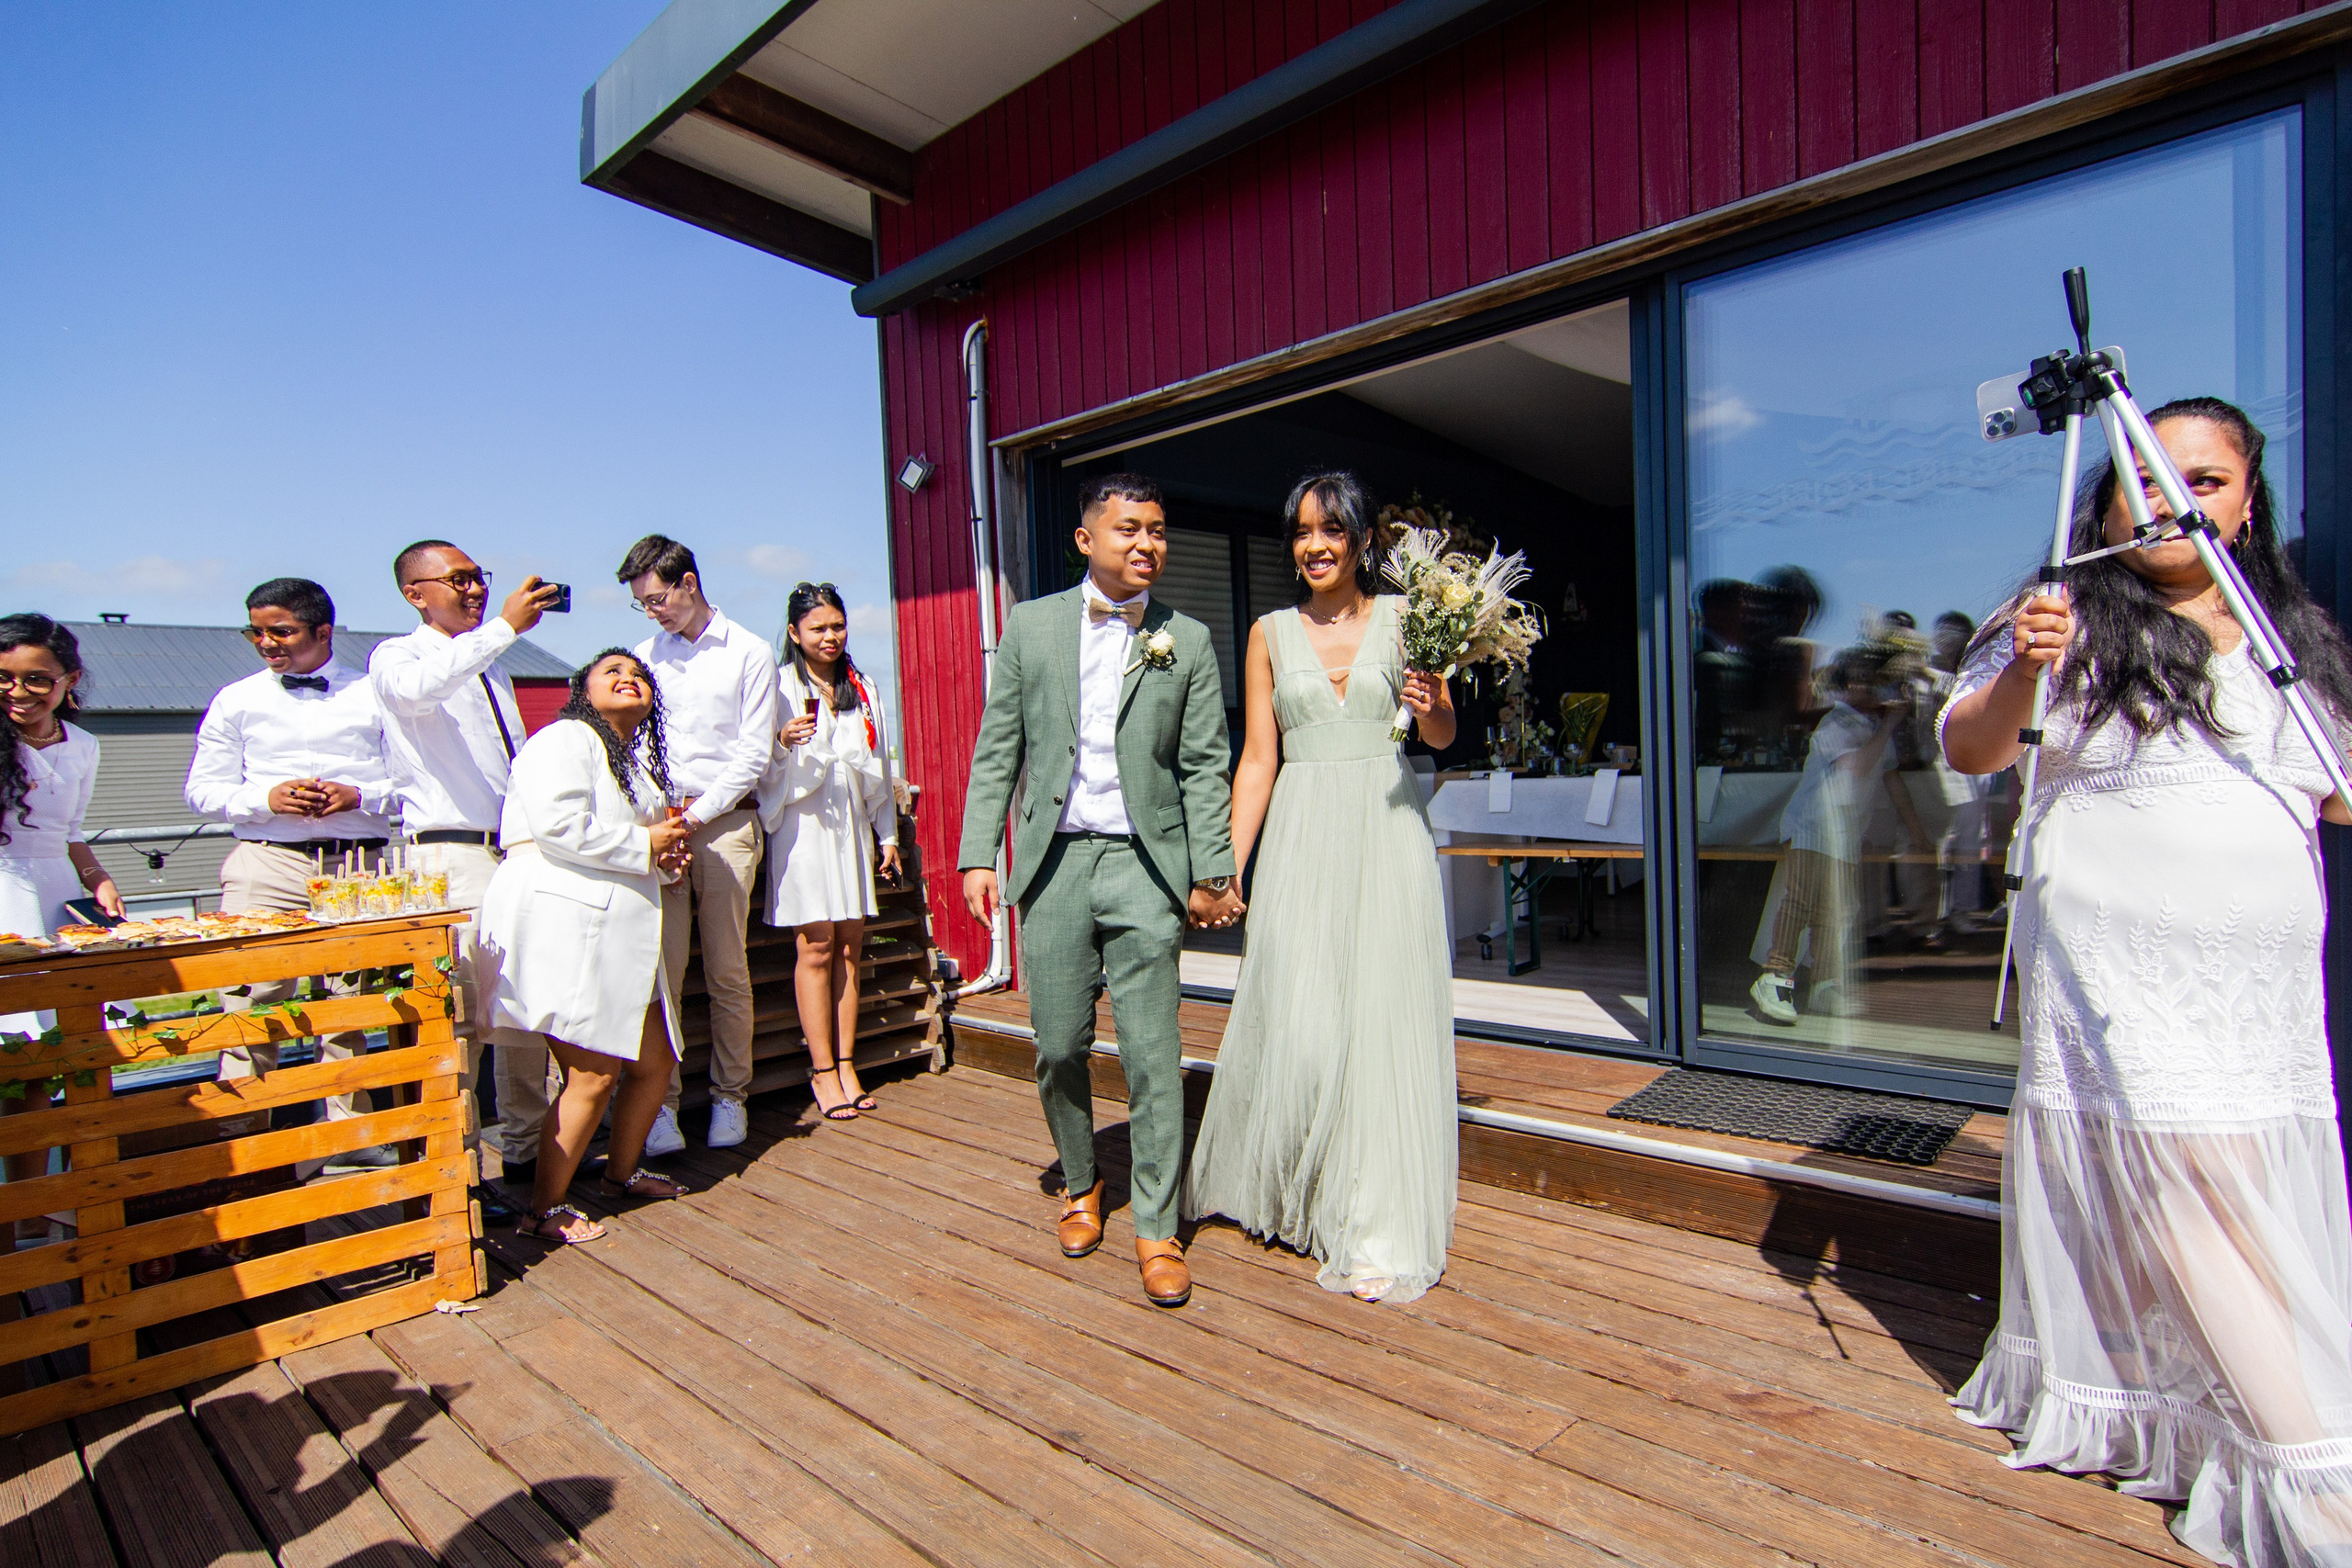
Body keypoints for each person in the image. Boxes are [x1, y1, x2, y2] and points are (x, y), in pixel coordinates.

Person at [1939, 398, 2352, 1566]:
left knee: (2244, 1186)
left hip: (2256, 977)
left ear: (2246, 501)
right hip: (2118, 957)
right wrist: (2026, 667)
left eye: (2207, 481)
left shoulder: (2287, 633)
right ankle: (2306, 1465)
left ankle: (2206, 1409)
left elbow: (2332, 791)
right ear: (2106, 496)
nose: (2176, 499)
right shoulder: (2059, 615)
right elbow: (1973, 750)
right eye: (2150, 476)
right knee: (2188, 1178)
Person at [958, 472, 1238, 1308]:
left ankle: (1156, 1222)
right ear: (1087, 539)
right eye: (1128, 529)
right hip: (1053, 864)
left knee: (1155, 1054)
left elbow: (1203, 765)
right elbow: (997, 746)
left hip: (1145, 866)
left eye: (1157, 529)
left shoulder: (1184, 638)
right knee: (1057, 1043)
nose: (1146, 543)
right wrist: (979, 852)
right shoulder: (1033, 626)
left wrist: (1211, 870)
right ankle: (1081, 1182)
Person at [1182, 472, 1459, 1304]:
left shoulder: (1410, 619)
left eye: (1331, 529)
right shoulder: (1269, 632)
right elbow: (1258, 760)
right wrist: (1224, 867)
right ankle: (1298, 1192)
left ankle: (1371, 1220)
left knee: (1379, 1019)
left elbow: (1439, 736)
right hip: (1302, 834)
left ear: (1361, 538)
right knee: (1303, 1016)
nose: (1315, 545)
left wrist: (1438, 700)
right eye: (1302, 531)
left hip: (1386, 829)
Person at [370, 540, 566, 1223]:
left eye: (478, 577)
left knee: (521, 1007)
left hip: (511, 854)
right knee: (463, 1021)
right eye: (457, 580)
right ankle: (456, 1169)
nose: (476, 589)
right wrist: (504, 627)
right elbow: (417, 691)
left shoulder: (493, 670)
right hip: (453, 856)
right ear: (415, 592)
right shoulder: (400, 657)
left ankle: (525, 1155)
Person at [474, 649, 695, 1245]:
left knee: (654, 1062)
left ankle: (619, 1176)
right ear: (581, 690)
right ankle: (543, 1209)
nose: (629, 678)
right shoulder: (564, 738)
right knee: (593, 1073)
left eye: (639, 674)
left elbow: (638, 847)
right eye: (612, 671)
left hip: (622, 928)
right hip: (566, 919)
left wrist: (664, 858)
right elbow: (557, 825)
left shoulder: (630, 761)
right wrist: (645, 841)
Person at [185, 579, 397, 1163]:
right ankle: (244, 1147)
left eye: (280, 631)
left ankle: (351, 1139)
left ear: (323, 631)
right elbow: (201, 790)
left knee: (349, 1006)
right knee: (251, 1005)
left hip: (358, 866)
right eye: (257, 631)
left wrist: (360, 794)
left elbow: (415, 784)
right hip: (265, 862)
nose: (265, 642)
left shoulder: (375, 695)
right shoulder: (236, 699)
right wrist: (266, 799)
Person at [619, 536, 778, 1154]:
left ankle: (729, 1095)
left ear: (689, 582)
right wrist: (658, 820)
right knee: (661, 970)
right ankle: (660, 1104)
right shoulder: (642, 655)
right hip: (661, 826)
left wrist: (696, 815)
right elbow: (633, 742)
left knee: (725, 967)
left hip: (726, 821)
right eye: (642, 603)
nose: (653, 610)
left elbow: (753, 751)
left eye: (657, 597)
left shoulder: (749, 650)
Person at [0, 615, 121, 1242]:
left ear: (69, 680)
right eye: (4, 678)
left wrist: (98, 879)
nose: (19, 692)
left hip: (55, 902)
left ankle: (29, 1215)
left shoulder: (85, 745)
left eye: (36, 680)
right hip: (3, 897)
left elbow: (72, 833)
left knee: (47, 1058)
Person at [762, 583, 900, 1122]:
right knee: (815, 945)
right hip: (801, 825)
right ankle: (821, 1070)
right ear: (794, 633)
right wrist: (780, 741)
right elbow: (755, 764)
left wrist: (886, 834)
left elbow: (881, 770)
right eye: (818, 628)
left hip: (849, 822)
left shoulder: (861, 687)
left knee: (849, 945)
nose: (830, 636)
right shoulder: (775, 686)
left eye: (837, 626)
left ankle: (847, 1063)